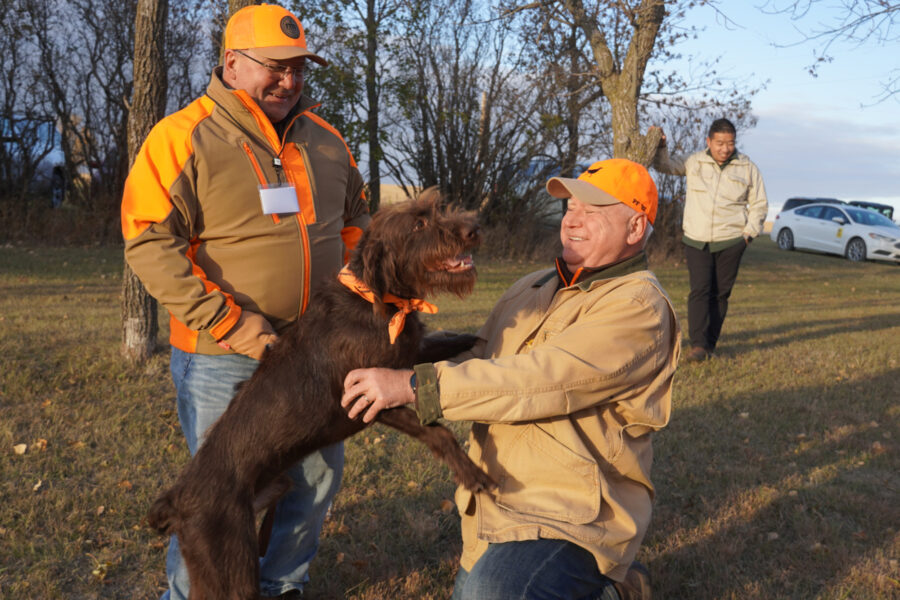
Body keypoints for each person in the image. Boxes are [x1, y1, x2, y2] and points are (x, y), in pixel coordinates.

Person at [341, 159, 680, 600]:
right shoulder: (535, 285)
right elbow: (482, 352)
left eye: (592, 212)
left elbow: (543, 380)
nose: (572, 221)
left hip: (571, 513)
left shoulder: (638, 307)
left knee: (492, 594)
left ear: (635, 228)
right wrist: (383, 351)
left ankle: (613, 590)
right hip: (497, 500)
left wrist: (413, 385)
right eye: (569, 208)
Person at [121, 4, 369, 598]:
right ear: (232, 64)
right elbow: (148, 241)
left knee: (313, 477)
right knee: (220, 500)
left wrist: (352, 290)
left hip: (316, 354)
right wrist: (231, 320)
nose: (290, 80)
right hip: (222, 355)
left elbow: (358, 218)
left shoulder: (328, 141)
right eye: (275, 67)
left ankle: (281, 585)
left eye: (300, 69)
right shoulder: (182, 136)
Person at [651, 118, 768, 362]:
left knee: (720, 294)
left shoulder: (747, 167)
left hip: (731, 240)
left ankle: (711, 344)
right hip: (696, 239)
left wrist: (748, 234)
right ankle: (698, 345)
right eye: (720, 143)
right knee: (700, 290)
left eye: (730, 143)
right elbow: (664, 166)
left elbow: (759, 203)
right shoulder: (694, 162)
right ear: (709, 142)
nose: (725, 148)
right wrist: (661, 146)